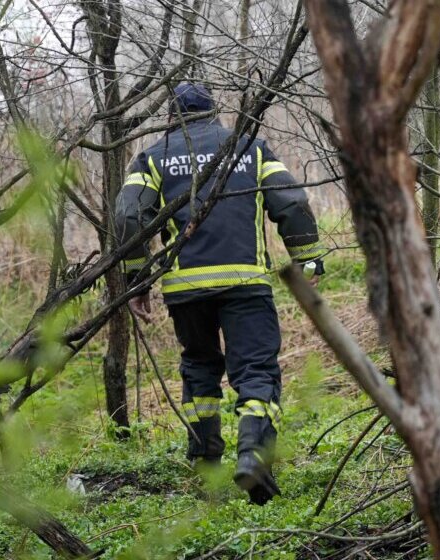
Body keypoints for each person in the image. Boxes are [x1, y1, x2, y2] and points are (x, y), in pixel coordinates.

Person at [114, 83, 326, 504]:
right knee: (257, 372)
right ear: (213, 113)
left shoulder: (153, 157)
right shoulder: (249, 147)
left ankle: (206, 463)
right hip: (245, 284)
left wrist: (137, 280)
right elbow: (290, 201)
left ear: (173, 117)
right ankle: (253, 458)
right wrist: (308, 258)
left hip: (186, 289)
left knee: (199, 367)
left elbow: (128, 214)